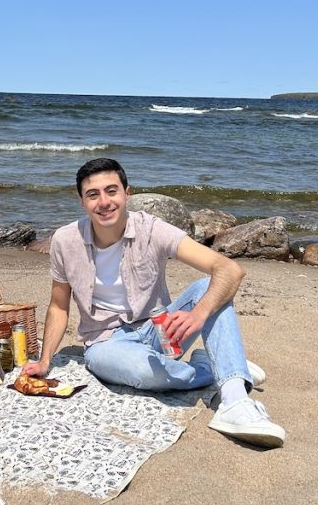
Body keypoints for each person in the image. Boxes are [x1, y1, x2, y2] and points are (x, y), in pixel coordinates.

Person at [23, 158, 285, 448]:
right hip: (105, 342)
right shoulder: (64, 240)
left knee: (208, 288)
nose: (104, 202)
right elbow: (59, 305)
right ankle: (222, 365)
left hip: (161, 329)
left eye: (112, 191)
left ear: (127, 193)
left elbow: (229, 270)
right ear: (82, 202)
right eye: (93, 194)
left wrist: (197, 316)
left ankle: (235, 401)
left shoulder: (152, 229)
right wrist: (45, 360)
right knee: (143, 373)